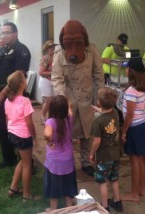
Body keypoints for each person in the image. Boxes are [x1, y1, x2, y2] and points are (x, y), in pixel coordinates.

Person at [51, 20, 104, 177]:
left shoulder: (92, 51)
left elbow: (98, 75)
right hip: (69, 98)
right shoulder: (59, 54)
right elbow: (57, 78)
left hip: (88, 97)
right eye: (68, 43)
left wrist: (99, 96)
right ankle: (66, 162)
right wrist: (61, 98)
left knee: (88, 132)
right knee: (65, 132)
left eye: (78, 42)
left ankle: (86, 162)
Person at [0, 22, 31, 169]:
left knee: (19, 128)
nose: (4, 35)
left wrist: (2, 94)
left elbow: (19, 76)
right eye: (2, 33)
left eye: (7, 32)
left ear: (15, 33)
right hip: (0, 93)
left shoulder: (22, 50)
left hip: (14, 96)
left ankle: (27, 163)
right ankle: (8, 158)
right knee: (2, 127)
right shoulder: (1, 51)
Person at [121, 57, 145, 202]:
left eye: (127, 68)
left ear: (132, 71)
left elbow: (129, 114)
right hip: (144, 124)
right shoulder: (142, 87)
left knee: (134, 160)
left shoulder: (131, 90)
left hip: (135, 127)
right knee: (140, 159)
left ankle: (134, 194)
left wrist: (123, 131)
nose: (125, 70)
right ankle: (142, 188)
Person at [5, 71, 39, 201]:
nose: (26, 81)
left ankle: (13, 188)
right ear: (21, 84)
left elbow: (7, 119)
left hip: (12, 134)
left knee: (23, 160)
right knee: (27, 163)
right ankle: (27, 194)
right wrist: (34, 137)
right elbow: (29, 123)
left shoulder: (8, 100)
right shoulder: (25, 101)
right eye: (25, 79)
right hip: (23, 137)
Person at [90, 87, 123, 212]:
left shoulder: (98, 122)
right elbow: (106, 112)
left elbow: (97, 141)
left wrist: (91, 154)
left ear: (99, 102)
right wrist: (96, 108)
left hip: (104, 157)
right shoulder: (114, 112)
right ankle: (117, 202)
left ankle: (105, 207)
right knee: (114, 179)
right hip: (115, 154)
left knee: (102, 181)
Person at [43, 95, 78, 212]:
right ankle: (69, 208)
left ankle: (53, 209)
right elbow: (70, 112)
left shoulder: (50, 122)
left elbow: (47, 134)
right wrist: (68, 105)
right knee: (68, 187)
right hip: (68, 162)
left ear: (51, 109)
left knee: (54, 187)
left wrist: (50, 142)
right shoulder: (69, 120)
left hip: (54, 163)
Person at [38, 40, 57, 125]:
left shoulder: (56, 57)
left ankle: (51, 117)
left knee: (53, 101)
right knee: (48, 101)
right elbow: (41, 72)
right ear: (47, 49)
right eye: (51, 47)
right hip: (45, 81)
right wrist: (53, 73)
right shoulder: (45, 58)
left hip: (54, 81)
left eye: (53, 47)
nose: (53, 49)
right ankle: (42, 116)